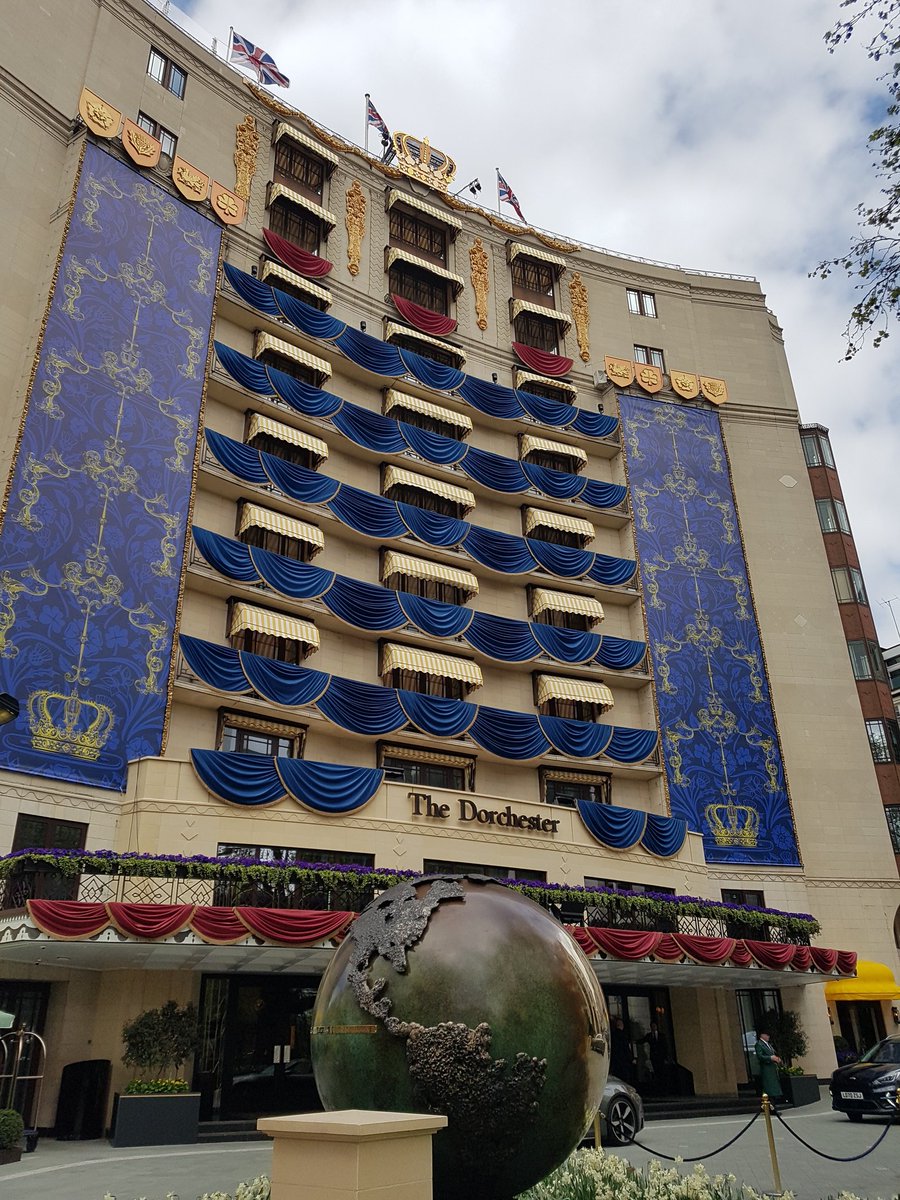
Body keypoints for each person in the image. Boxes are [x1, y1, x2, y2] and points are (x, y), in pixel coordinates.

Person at [754, 1029, 783, 1105]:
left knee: (773, 1088)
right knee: (769, 1088)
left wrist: (776, 1058)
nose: (768, 1037)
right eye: (767, 1035)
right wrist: (770, 1058)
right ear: (762, 1035)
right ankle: (770, 1107)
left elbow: (772, 1054)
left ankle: (773, 1106)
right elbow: (760, 1056)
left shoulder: (768, 1044)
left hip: (771, 1068)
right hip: (766, 1069)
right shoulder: (759, 1044)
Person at [609, 1017, 633, 1083]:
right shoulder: (623, 1035)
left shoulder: (613, 1035)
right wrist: (630, 1057)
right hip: (624, 1060)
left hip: (616, 1060)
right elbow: (625, 1047)